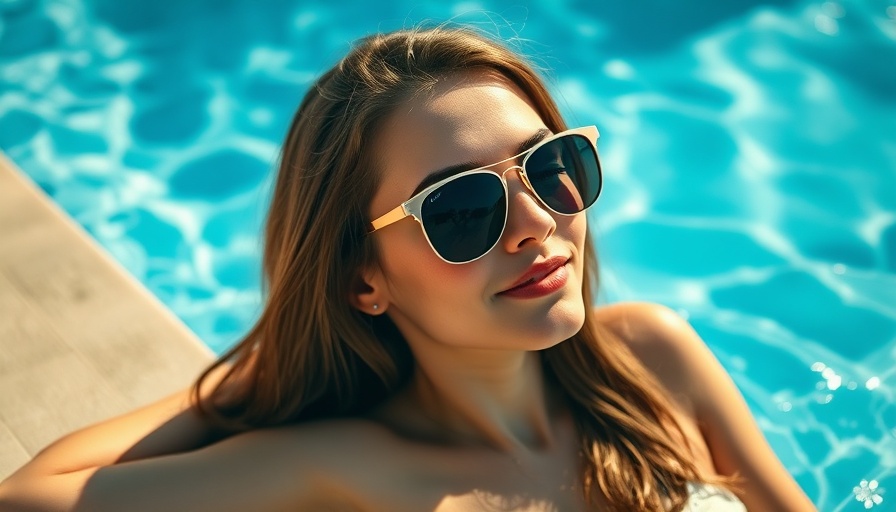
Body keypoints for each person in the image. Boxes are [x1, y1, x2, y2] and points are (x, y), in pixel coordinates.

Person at [0, 26, 815, 512]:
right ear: (364, 280)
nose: (537, 226)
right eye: (463, 211)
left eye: (550, 165)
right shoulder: (355, 469)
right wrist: (266, 377)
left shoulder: (653, 357)